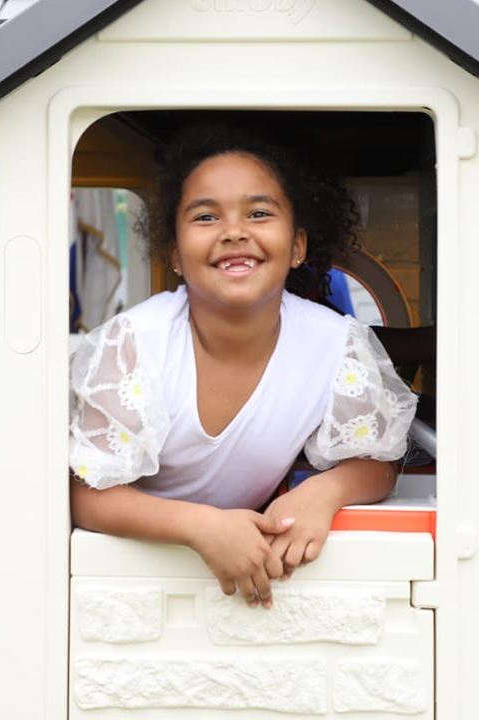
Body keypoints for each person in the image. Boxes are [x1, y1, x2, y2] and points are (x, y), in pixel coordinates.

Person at [69, 124, 417, 609]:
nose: (234, 231)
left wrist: (326, 492)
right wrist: (201, 526)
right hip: (135, 576)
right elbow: (87, 495)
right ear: (175, 253)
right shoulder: (134, 343)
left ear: (298, 246)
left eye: (258, 213)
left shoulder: (335, 343)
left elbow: (378, 461)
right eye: (206, 216)